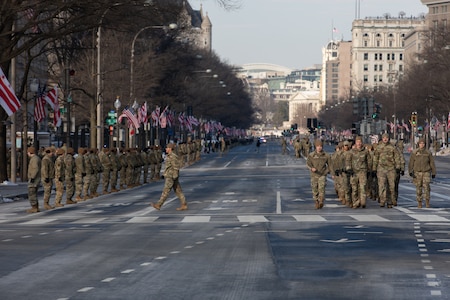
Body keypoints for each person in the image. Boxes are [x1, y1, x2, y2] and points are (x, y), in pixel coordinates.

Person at [150, 143, 188, 211]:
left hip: (171, 176)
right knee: (178, 191)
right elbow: (169, 167)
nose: (166, 149)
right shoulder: (169, 156)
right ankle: (184, 204)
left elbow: (176, 167)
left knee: (166, 191)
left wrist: (174, 176)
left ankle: (159, 204)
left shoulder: (172, 156)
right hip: (170, 175)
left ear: (170, 149)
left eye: (167, 148)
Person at [372, 133, 401, 208]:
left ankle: (390, 201)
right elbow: (375, 159)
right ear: (382, 139)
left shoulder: (393, 148)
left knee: (391, 186)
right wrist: (374, 169)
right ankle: (382, 200)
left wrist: (398, 167)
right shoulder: (378, 148)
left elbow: (397, 158)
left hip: (391, 169)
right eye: (384, 138)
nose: (385, 139)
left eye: (386, 138)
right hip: (381, 169)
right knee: (382, 186)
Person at [408, 138, 436, 208]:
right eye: (420, 143)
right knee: (418, 188)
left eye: (423, 143)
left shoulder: (428, 153)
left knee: (426, 188)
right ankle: (419, 202)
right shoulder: (415, 152)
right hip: (417, 172)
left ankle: (427, 201)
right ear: (418, 144)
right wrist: (410, 171)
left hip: (426, 172)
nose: (422, 145)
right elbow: (411, 162)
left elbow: (432, 162)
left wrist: (433, 172)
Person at [347, 136, 372, 208]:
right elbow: (348, 161)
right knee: (354, 188)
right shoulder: (351, 152)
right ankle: (355, 202)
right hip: (354, 172)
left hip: (362, 171)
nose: (359, 143)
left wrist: (369, 170)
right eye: (357, 142)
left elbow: (369, 161)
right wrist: (349, 168)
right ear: (355, 142)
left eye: (360, 142)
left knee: (363, 187)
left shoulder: (365, 151)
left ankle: (363, 202)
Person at [306, 139, 332, 209]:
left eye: (320, 146)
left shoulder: (326, 155)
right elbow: (308, 164)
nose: (319, 147)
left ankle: (321, 201)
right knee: (315, 189)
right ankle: (316, 201)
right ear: (315, 147)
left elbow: (330, 165)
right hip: (314, 175)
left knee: (322, 188)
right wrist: (311, 168)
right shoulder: (311, 155)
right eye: (318, 146)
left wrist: (328, 172)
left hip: (322, 174)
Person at [26, 147, 41, 213]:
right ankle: (36, 207)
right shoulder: (36, 158)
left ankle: (34, 207)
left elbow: (35, 169)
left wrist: (32, 177)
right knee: (33, 193)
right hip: (36, 178)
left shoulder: (34, 159)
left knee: (32, 193)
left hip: (34, 179)